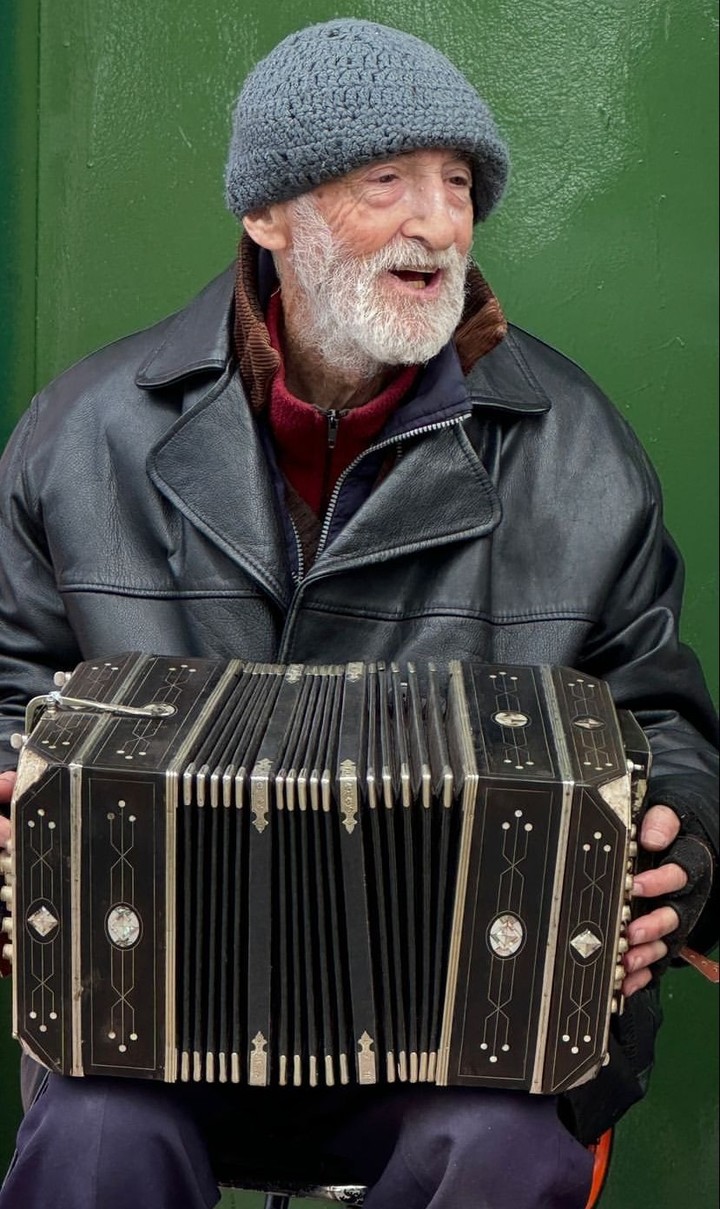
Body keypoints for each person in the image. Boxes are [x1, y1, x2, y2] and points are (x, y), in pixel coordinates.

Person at [0, 18, 716, 1209]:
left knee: (497, 1146)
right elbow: (13, 685)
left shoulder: (578, 451)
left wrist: (678, 848)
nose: (437, 222)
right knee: (95, 1134)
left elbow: (660, 717)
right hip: (162, 1000)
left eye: (456, 185)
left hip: (471, 1020)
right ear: (267, 215)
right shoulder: (81, 436)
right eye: (385, 182)